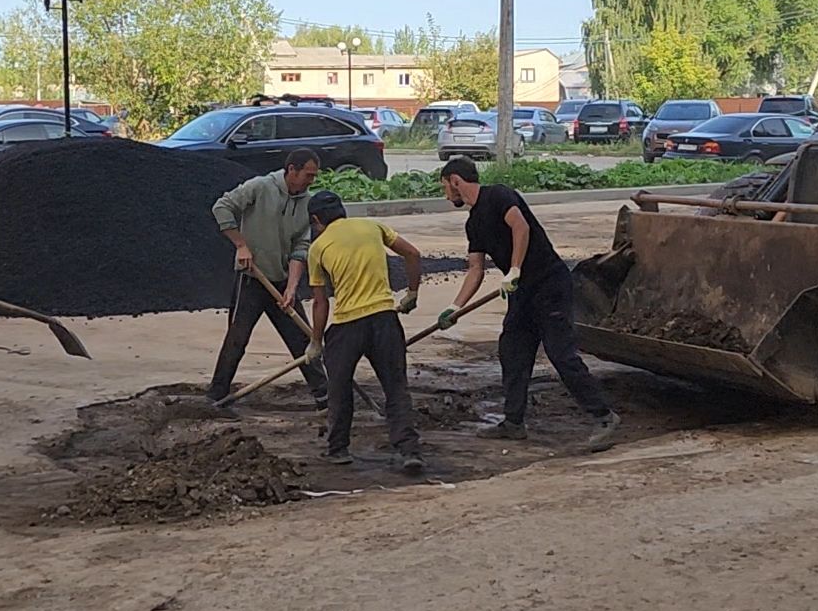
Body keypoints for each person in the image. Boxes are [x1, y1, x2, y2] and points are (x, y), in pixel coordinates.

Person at [438, 156, 620, 452]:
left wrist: (515, 270)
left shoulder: (499, 195)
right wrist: (455, 307)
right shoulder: (473, 224)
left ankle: (604, 417)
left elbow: (520, 228)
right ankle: (513, 422)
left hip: (549, 283)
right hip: (521, 293)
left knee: (560, 354)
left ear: (455, 181)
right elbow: (476, 269)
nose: (445, 194)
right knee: (512, 351)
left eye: (445, 186)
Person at [304, 190, 425, 474]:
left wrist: (315, 341)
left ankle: (338, 449)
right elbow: (413, 253)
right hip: (384, 319)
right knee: (396, 388)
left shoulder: (317, 248)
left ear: (316, 219)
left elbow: (320, 302)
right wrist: (412, 292)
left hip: (347, 325)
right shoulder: (373, 226)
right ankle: (409, 451)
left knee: (339, 388)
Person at [208, 148, 328, 408]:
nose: (311, 180)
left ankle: (324, 395)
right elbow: (222, 207)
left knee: (302, 339)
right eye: (308, 175)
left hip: (282, 282)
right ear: (291, 170)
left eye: (314, 176)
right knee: (237, 338)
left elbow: (300, 247)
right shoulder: (260, 187)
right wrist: (240, 244)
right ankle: (216, 396)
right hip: (251, 279)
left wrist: (292, 288)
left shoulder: (307, 203)